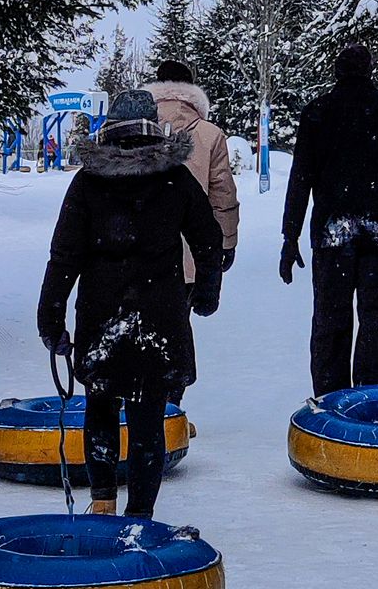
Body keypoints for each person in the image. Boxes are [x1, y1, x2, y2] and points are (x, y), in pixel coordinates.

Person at [36, 89, 225, 519]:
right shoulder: (175, 178)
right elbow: (208, 238)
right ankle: (140, 514)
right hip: (160, 314)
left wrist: (51, 315)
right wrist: (207, 290)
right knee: (147, 419)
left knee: (100, 407)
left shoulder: (88, 181)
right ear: (154, 127)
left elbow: (64, 253)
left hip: (102, 314)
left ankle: (102, 499)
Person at [280, 42, 378, 393]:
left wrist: (290, 236)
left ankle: (331, 400)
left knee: (331, 321)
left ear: (337, 72)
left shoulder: (317, 113)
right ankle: (374, 399)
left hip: (332, 234)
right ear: (370, 70)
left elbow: (301, 178)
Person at [146, 60, 240, 288]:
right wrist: (226, 242)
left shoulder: (137, 129)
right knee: (178, 316)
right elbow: (222, 194)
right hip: (191, 249)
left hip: (138, 250)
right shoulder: (210, 134)